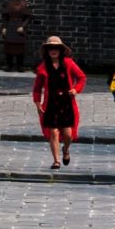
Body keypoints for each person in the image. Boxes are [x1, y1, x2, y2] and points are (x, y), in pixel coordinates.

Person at [32, 35, 84, 169]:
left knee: (68, 134)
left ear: (60, 50)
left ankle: (65, 150)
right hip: (51, 104)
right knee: (53, 132)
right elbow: (37, 89)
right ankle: (56, 161)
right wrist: (38, 104)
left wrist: (76, 89)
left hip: (66, 103)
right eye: (50, 48)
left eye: (56, 48)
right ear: (47, 51)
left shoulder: (68, 63)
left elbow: (81, 77)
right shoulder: (42, 68)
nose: (53, 50)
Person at [0, 0, 33, 72]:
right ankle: (9, 65)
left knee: (20, 47)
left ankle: (20, 66)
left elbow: (28, 17)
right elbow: (5, 17)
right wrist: (4, 27)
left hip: (20, 26)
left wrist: (23, 26)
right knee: (8, 46)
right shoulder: (9, 3)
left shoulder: (25, 3)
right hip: (10, 25)